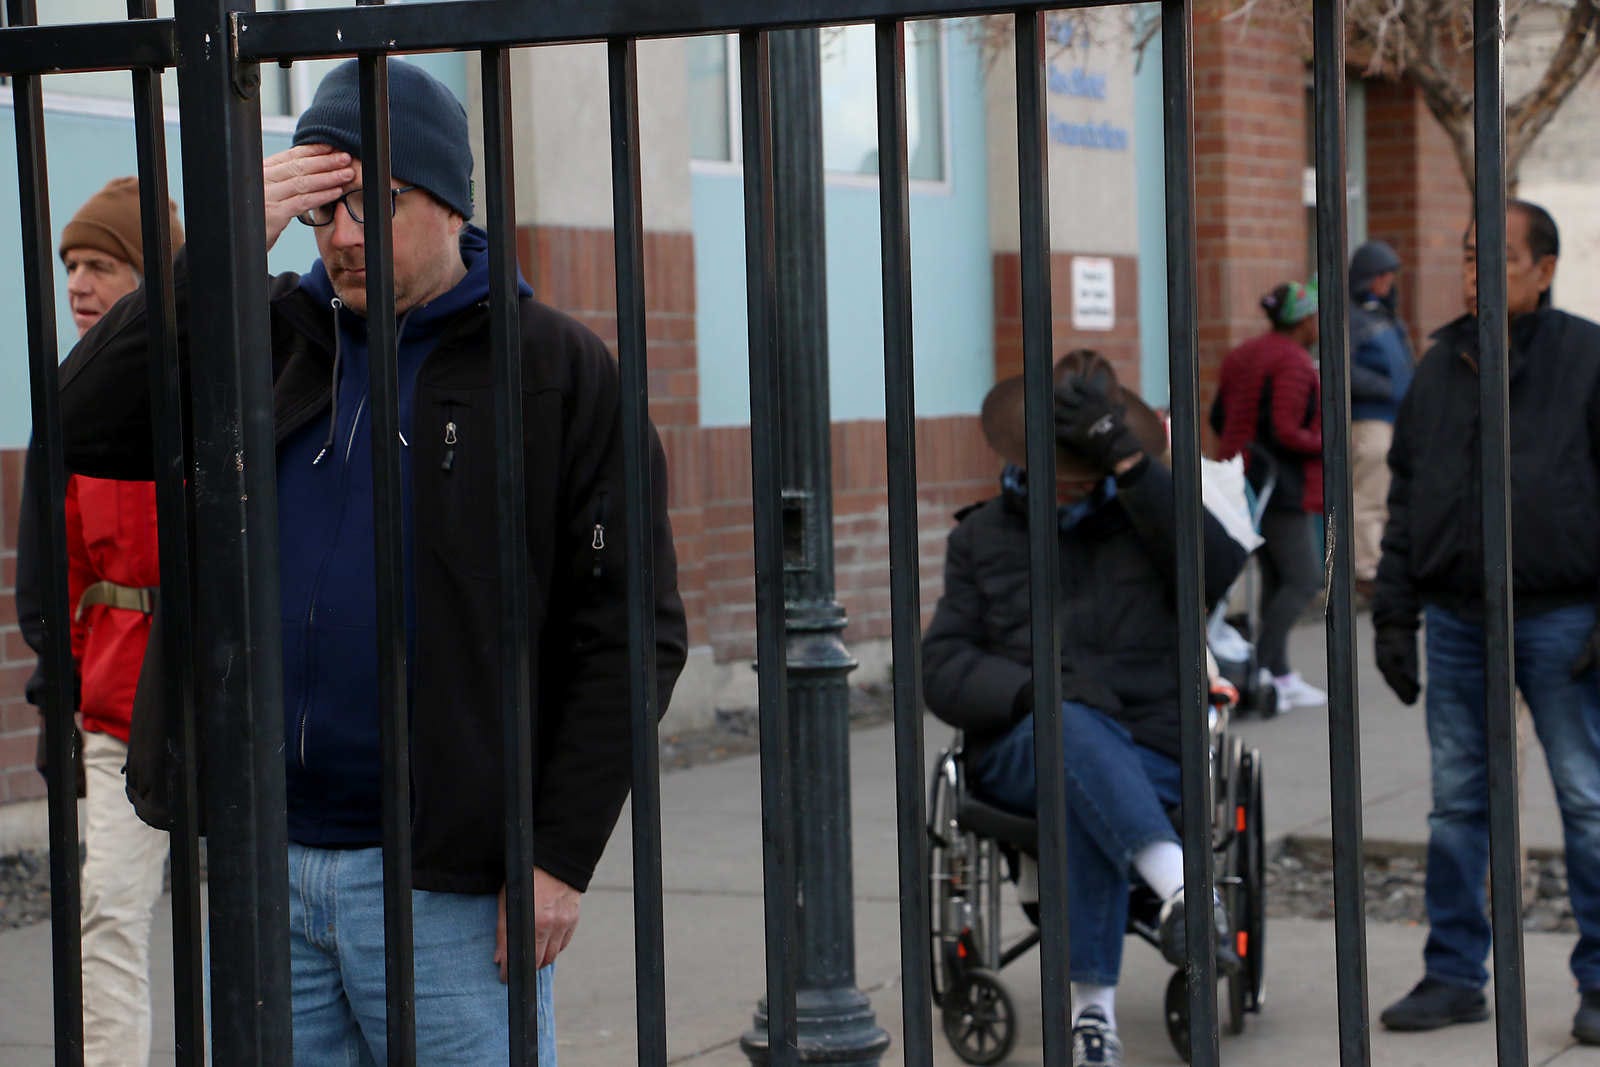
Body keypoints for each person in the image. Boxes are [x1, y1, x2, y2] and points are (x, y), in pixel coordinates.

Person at [55, 59, 688, 1065]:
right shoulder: (265, 336)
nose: (343, 236)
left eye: (372, 203)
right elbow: (78, 423)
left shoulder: (553, 372)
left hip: (449, 884)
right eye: (321, 211)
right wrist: (216, 250)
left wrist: (559, 854)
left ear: (449, 203)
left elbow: (624, 628)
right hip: (271, 857)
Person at [922, 350, 1248, 1067]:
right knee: (1065, 723)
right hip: (1021, 746)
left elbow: (1221, 570)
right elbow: (941, 666)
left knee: (1080, 791)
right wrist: (1028, 692)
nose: (1068, 493)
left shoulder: (1149, 522)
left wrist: (1134, 466)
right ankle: (1181, 888)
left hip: (1150, 748)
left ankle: (1091, 1017)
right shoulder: (980, 538)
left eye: (1084, 477)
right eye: (1056, 479)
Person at [1373, 200, 1600, 1044]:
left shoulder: (1586, 358)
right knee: (1458, 802)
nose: (1478, 272)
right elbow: (1406, 498)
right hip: (1459, 617)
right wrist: (1394, 615)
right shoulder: (1438, 366)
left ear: (1544, 268)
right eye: (1470, 256)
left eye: (1497, 257)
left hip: (1562, 616)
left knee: (1586, 800)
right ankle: (1454, 972)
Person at [13, 177, 182, 1067]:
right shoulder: (69, 412)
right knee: (108, 913)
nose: (77, 284)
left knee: (256, 920)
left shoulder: (209, 393)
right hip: (114, 719)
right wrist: (64, 710)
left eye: (102, 265)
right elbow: (50, 581)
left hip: (220, 708)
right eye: (70, 265)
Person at [1209, 280, 1328, 711]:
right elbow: (1286, 429)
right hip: (1280, 483)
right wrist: (1326, 440)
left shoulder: (1243, 353)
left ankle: (1278, 675)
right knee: (1304, 578)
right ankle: (1259, 666)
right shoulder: (1294, 361)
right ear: (1305, 321)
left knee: (1275, 578)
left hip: (1242, 479)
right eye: (1316, 316)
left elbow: (1218, 415)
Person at [1347, 240, 1414, 605]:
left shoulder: (1385, 317)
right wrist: (1389, 387)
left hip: (1394, 418)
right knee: (1369, 496)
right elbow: (1345, 370)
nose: (1388, 281)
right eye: (1382, 274)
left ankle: (1382, 567)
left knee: (1388, 498)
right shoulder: (1353, 319)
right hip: (1370, 420)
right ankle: (1366, 571)